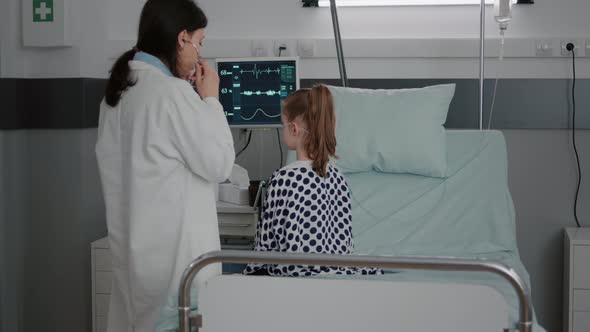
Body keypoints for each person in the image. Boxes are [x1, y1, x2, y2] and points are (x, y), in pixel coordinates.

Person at [95, 0, 234, 330]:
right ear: (182, 38)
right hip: (176, 274)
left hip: (136, 266)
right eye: (199, 42)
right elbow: (219, 164)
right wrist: (211, 99)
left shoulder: (116, 96)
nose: (199, 54)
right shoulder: (171, 94)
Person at [243, 84, 381, 277]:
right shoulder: (337, 177)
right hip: (337, 274)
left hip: (297, 276)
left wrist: (249, 274)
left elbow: (266, 244)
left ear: (293, 129)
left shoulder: (284, 179)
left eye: (283, 125)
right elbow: (345, 242)